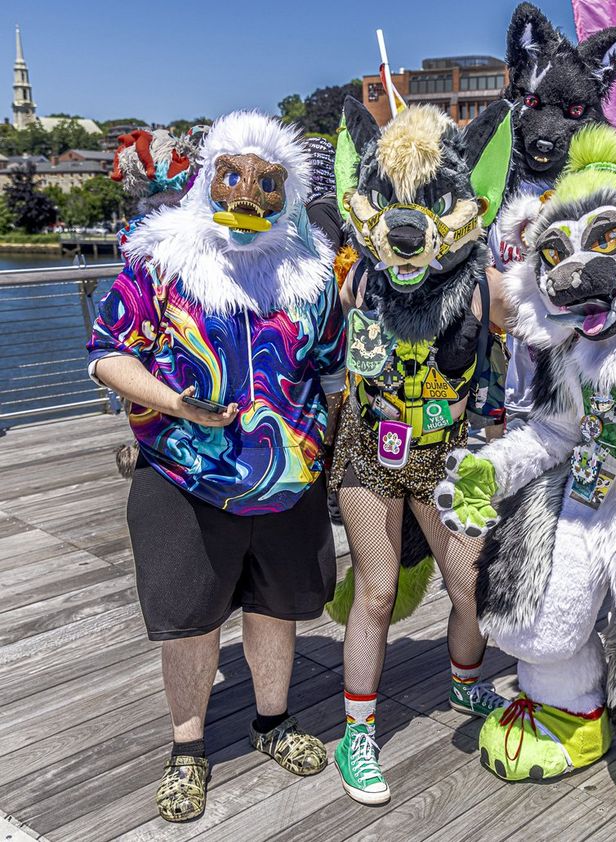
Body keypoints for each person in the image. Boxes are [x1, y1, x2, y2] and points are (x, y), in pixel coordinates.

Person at [86, 111, 346, 823]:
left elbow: (330, 370)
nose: (248, 195)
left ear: (288, 192)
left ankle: (272, 721)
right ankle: (188, 748)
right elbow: (107, 353)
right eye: (232, 177)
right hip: (184, 477)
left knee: (276, 609)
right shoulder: (163, 263)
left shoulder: (310, 275)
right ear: (208, 180)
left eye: (267, 183)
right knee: (190, 621)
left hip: (288, 482)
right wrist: (174, 401)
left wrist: (335, 447)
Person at [327, 98, 513, 804]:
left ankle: (464, 685)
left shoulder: (486, 290)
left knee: (471, 587)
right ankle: (357, 734)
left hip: (446, 452)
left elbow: (556, 335)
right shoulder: (358, 278)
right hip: (371, 448)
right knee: (375, 592)